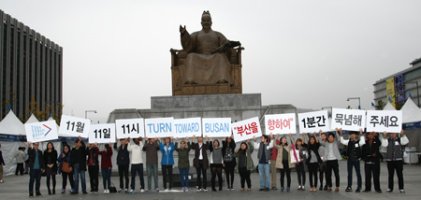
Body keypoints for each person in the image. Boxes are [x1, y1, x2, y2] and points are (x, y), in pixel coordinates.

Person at [179, 11, 234, 85]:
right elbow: (188, 45)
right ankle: (190, 80)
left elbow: (226, 44)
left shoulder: (218, 34)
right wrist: (184, 33)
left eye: (208, 21)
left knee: (221, 57)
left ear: (211, 22)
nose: (206, 22)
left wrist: (226, 46)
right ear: (201, 22)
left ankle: (222, 79)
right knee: (191, 56)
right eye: (204, 21)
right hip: (199, 57)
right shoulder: (196, 34)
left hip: (214, 56)